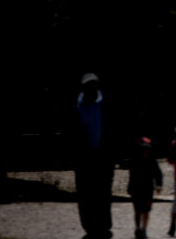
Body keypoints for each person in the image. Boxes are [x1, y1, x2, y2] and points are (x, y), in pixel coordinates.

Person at [73, 72, 116, 239]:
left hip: (104, 157)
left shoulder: (107, 104)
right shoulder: (76, 106)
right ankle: (89, 227)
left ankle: (104, 227)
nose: (91, 89)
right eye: (88, 87)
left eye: (93, 86)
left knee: (104, 193)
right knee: (85, 193)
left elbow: (114, 129)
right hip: (83, 158)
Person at [127, 137, 162, 239]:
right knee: (137, 210)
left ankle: (144, 229)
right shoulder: (134, 161)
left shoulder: (152, 161)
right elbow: (131, 176)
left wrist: (159, 184)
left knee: (146, 210)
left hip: (148, 189)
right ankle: (138, 228)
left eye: (146, 149)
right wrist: (130, 188)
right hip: (136, 189)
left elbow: (158, 174)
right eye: (143, 149)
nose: (145, 151)